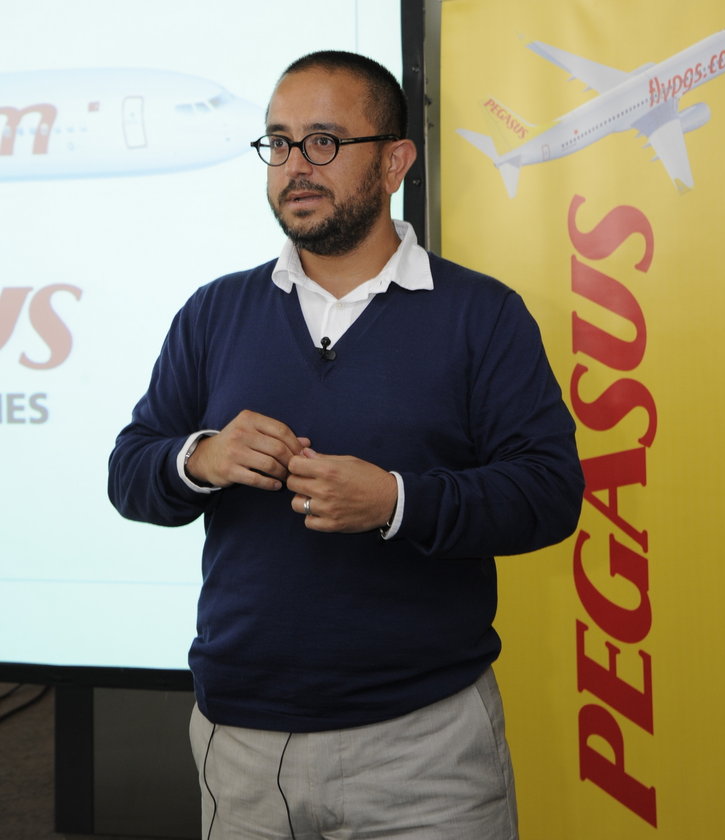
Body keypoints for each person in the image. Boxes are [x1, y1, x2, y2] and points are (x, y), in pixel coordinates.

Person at [108, 50, 584, 840]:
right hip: (242, 741)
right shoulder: (213, 312)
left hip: (425, 746)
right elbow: (130, 472)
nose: (295, 165)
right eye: (278, 142)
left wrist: (397, 502)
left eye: (324, 141)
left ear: (395, 162)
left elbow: (547, 493)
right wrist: (199, 458)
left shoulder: (481, 314)